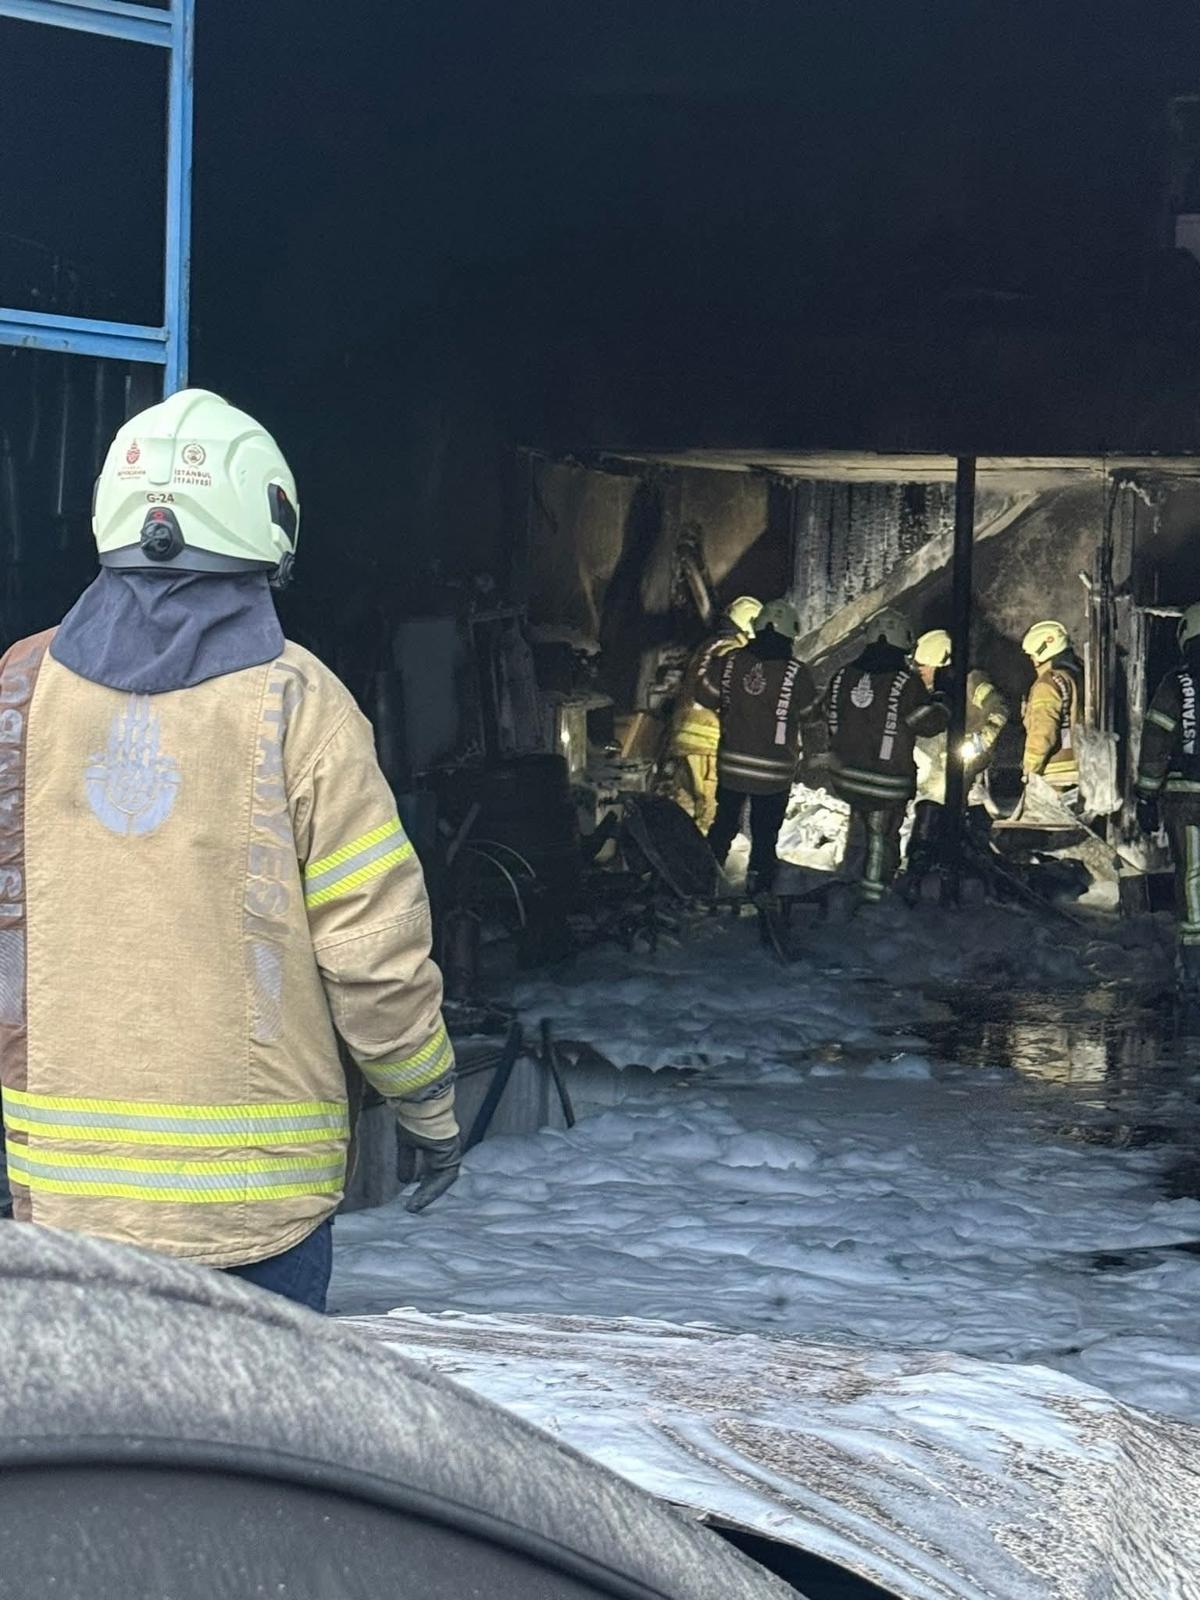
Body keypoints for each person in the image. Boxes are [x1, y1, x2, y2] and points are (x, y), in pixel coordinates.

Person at [0, 389, 458, 1314]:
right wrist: (428, 1108)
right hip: (252, 1206)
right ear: (267, 526)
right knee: (247, 1415)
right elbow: (371, 950)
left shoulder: (20, 687)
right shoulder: (299, 702)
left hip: (62, 1199)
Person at [697, 598, 822, 893]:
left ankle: (705, 883)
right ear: (790, 634)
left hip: (732, 767)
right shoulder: (796, 673)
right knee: (765, 838)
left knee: (723, 825)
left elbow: (705, 696)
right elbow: (812, 718)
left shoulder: (730, 662)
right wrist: (815, 754)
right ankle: (759, 891)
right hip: (774, 774)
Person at [825, 609, 949, 904]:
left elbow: (829, 715)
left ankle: (848, 886)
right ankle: (873, 900)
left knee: (859, 834)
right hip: (886, 781)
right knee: (881, 841)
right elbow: (927, 723)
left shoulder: (842, 676)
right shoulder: (906, 683)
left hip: (846, 776)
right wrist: (943, 701)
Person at [1135, 602, 1200, 994]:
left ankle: (1194, 966)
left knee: (1193, 877)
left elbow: (1157, 741)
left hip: (1187, 799)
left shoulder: (1178, 683)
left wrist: (1146, 796)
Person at [908, 628, 1010, 872]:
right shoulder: (935, 690)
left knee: (956, 807)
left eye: (925, 666)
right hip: (940, 762)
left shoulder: (973, 681)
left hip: (967, 761)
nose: (921, 672)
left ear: (942, 664)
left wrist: (981, 740)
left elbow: (999, 709)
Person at [665, 595, 761, 833]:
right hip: (706, 741)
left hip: (685, 736)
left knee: (684, 806)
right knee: (709, 811)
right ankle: (702, 855)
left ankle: (675, 852)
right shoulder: (734, 653)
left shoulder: (709, 646)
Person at [1021, 620, 1081, 802]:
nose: (1032, 660)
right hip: (1080, 769)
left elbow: (1043, 732)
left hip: (1056, 774)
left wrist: (1029, 769)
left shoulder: (1047, 684)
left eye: (1032, 655)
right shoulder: (1077, 677)